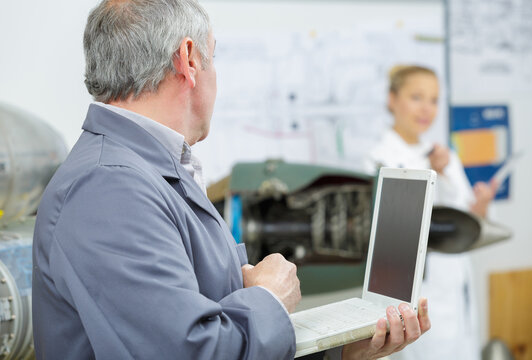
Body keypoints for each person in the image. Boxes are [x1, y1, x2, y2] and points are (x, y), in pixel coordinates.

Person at [32, 1, 430, 359]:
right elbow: (192, 352)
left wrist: (337, 355)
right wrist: (268, 297)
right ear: (188, 59)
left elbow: (210, 324)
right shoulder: (109, 188)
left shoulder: (153, 170)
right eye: (213, 57)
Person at [368, 65, 497, 360]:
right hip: (418, 291)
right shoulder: (377, 159)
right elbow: (389, 237)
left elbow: (463, 220)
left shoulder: (444, 155)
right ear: (392, 99)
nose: (427, 108)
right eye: (417, 97)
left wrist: (479, 209)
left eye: (434, 100)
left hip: (456, 286)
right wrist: (431, 173)